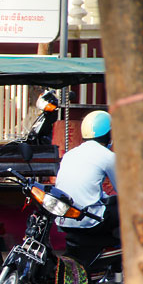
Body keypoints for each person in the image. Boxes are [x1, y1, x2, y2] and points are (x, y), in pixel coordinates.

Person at [55, 110, 119, 264]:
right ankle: (120, 257)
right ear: (108, 134)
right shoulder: (107, 156)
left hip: (64, 220)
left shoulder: (70, 155)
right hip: (90, 222)